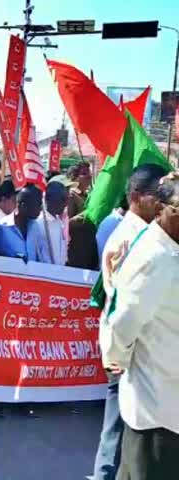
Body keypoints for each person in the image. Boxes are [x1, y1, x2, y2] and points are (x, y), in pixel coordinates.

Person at [92, 163, 169, 480]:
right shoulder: (131, 238)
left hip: (134, 348)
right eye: (158, 196)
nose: (164, 203)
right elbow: (125, 303)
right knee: (119, 431)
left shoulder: (148, 234)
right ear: (137, 197)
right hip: (127, 348)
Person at [0, 184, 44, 261]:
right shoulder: (1, 227)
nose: (41, 209)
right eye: (38, 204)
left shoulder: (35, 226)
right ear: (23, 206)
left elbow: (39, 257)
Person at [28, 178, 70, 265]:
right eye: (63, 199)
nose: (66, 204)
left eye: (66, 199)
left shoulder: (59, 221)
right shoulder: (37, 224)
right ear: (49, 199)